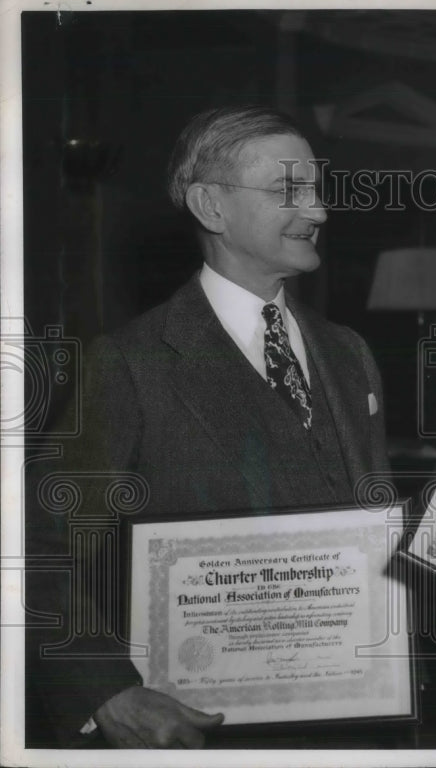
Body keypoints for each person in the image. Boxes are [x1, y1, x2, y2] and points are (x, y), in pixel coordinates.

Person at [27, 106, 389, 748]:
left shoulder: (349, 352)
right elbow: (37, 548)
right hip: (212, 735)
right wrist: (104, 689)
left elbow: (376, 528)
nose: (320, 212)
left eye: (317, 189)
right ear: (210, 207)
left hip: (358, 724)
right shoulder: (130, 364)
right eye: (290, 191)